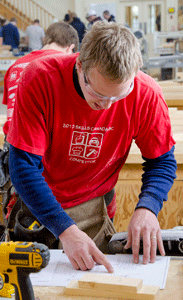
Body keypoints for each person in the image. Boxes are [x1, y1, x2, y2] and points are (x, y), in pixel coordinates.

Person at [7, 21, 176, 272]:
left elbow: (162, 161)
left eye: (119, 95)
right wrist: (64, 229)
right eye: (97, 94)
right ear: (80, 66)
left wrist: (148, 207)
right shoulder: (40, 77)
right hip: (38, 201)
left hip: (94, 205)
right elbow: (23, 166)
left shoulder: (146, 93)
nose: (107, 106)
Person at [2, 21, 79, 137]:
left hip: (12, 139)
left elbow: (10, 105)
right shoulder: (63, 64)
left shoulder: (15, 66)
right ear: (70, 48)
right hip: (42, 140)